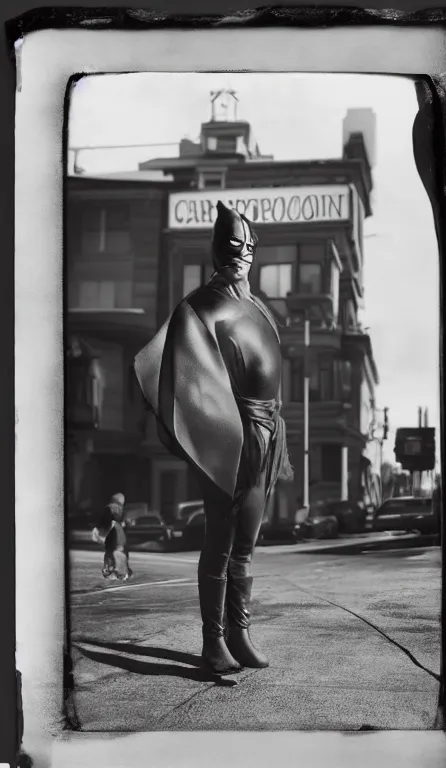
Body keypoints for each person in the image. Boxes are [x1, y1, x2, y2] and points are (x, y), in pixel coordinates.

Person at [133, 201, 293, 675]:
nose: (241, 251)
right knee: (221, 539)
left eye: (248, 244)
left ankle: (239, 633)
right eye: (232, 244)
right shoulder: (201, 306)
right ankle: (213, 642)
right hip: (231, 434)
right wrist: (223, 433)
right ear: (216, 249)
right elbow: (179, 374)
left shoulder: (256, 305)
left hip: (266, 433)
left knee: (246, 542)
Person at [92, 492, 132, 581]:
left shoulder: (108, 508)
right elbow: (121, 522)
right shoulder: (118, 509)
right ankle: (120, 571)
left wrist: (100, 529)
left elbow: (103, 521)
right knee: (119, 551)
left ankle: (110, 570)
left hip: (112, 535)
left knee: (110, 551)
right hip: (117, 535)